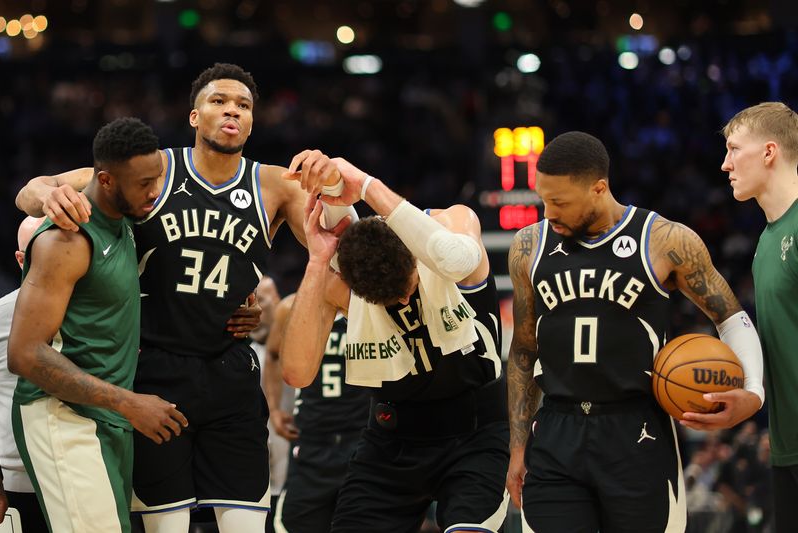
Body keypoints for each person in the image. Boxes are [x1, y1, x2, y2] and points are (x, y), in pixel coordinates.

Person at [14, 63, 348, 533]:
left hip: (230, 369)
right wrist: (49, 197)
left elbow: (344, 248)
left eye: (244, 105)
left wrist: (334, 184)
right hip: (155, 372)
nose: (232, 110)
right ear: (194, 116)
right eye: (219, 101)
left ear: (253, 122)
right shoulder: (154, 170)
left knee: (247, 525)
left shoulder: (275, 184)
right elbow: (33, 190)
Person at [505, 131, 765, 533]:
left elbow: (731, 318)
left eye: (559, 202)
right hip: (557, 430)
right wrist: (518, 445)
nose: (548, 212)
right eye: (543, 199)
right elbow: (523, 350)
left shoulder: (664, 239)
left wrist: (752, 390)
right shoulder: (529, 245)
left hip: (637, 432)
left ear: (598, 189)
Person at [280, 154, 510, 533]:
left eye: (407, 288)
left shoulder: (453, 221)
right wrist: (317, 263)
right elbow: (297, 372)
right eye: (387, 301)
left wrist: (364, 185)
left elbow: (453, 257)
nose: (403, 301)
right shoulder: (345, 278)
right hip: (393, 437)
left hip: (475, 432)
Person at [7, 117, 189, 533]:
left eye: (156, 179)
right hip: (62, 413)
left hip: (103, 414)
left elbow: (39, 185)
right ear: (105, 180)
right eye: (144, 184)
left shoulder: (122, 214)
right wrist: (129, 403)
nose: (155, 193)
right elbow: (24, 354)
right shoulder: (67, 238)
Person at [721, 101, 798, 532]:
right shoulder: (768, 241)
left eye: (734, 149)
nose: (725, 163)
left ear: (769, 152)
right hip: (787, 446)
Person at [265, 293, 370, 533]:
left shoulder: (372, 303)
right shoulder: (290, 307)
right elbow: (272, 354)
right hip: (312, 438)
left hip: (363, 438)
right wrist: (274, 408)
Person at [0, 215, 47, 532]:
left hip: (88, 471)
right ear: (21, 258)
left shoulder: (99, 312)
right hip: (14, 477)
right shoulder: (1, 314)